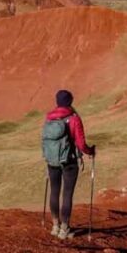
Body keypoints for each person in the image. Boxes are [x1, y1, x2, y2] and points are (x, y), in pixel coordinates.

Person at [41, 89, 95, 240]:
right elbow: (81, 143)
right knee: (67, 194)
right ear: (70, 101)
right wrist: (90, 152)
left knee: (54, 191)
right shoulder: (73, 118)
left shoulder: (49, 117)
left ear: (57, 101)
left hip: (52, 161)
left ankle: (55, 226)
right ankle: (64, 230)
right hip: (69, 161)